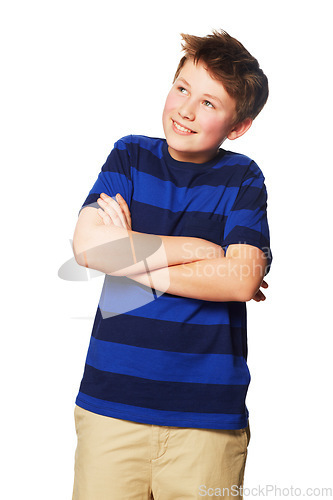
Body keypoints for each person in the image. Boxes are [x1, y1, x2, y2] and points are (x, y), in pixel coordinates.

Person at [72, 29, 271, 500]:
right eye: (182, 88)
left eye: (208, 103)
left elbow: (240, 279)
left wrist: (129, 257)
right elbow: (88, 247)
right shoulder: (130, 155)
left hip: (206, 421)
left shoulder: (243, 177)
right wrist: (198, 249)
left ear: (237, 125)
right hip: (110, 409)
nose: (185, 109)